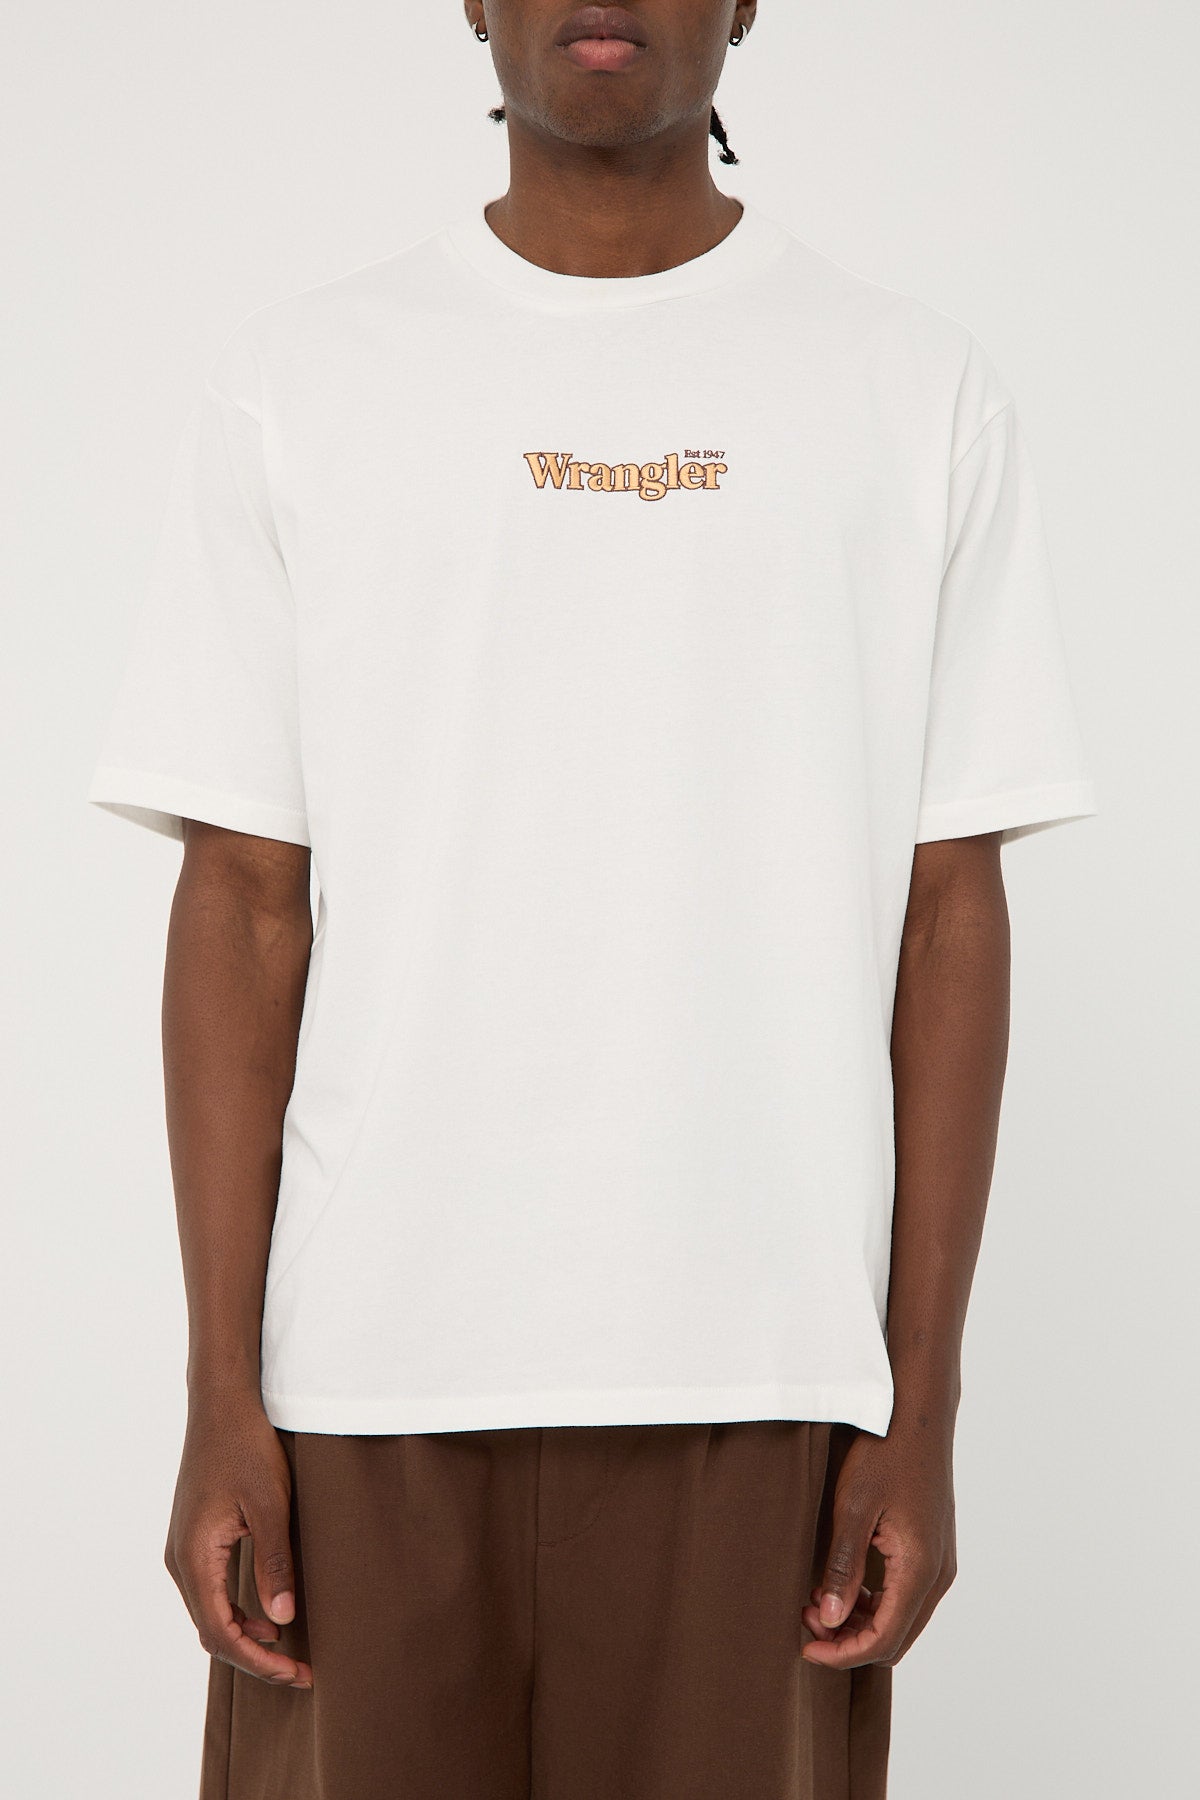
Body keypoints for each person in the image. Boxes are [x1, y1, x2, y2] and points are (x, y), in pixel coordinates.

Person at [85, 4, 1099, 1796]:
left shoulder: (912, 387)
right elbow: (243, 899)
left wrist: (921, 1407)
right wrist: (219, 1394)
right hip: (365, 1390)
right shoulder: (302, 381)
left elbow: (949, 911)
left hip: (765, 1381)